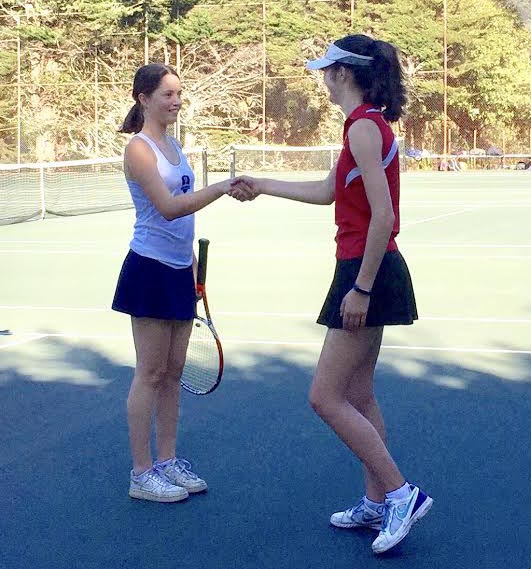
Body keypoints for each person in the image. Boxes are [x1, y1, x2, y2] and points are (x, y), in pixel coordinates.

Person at [230, 35, 432, 554]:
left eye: (327, 70)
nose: (322, 78)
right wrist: (263, 184)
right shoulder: (361, 127)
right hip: (368, 267)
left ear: (344, 73)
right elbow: (327, 193)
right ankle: (375, 501)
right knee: (359, 395)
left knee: (324, 396)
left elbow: (383, 216)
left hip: (366, 270)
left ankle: (400, 493)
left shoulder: (364, 126)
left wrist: (360, 289)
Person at [112, 63, 251, 502]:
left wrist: (191, 267)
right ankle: (141, 473)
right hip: (148, 269)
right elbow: (170, 208)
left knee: (172, 374)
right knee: (150, 372)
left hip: (177, 271)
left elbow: (183, 223)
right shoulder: (139, 149)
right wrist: (223, 188)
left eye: (178, 94)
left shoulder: (175, 146)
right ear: (143, 98)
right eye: (167, 94)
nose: (175, 101)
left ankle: (168, 461)